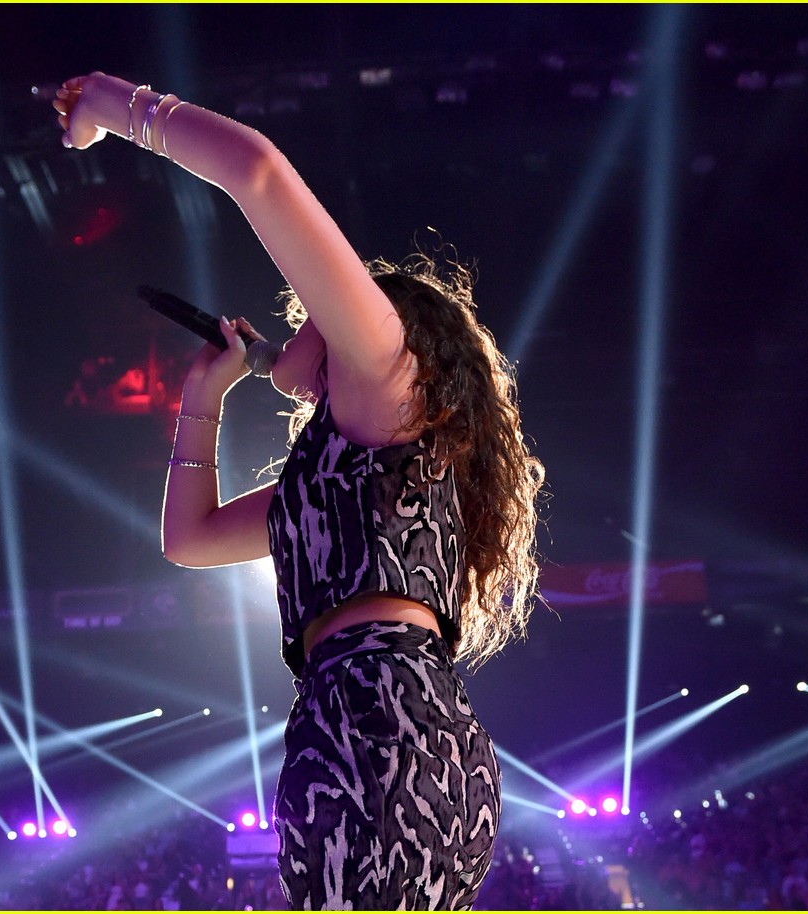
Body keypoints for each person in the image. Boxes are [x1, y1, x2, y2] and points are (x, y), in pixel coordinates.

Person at [54, 71, 545, 910]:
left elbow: (257, 175)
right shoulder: (339, 477)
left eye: (313, 305)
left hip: (383, 726)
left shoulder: (395, 379)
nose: (298, 311)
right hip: (373, 725)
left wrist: (115, 105)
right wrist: (205, 398)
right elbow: (190, 539)